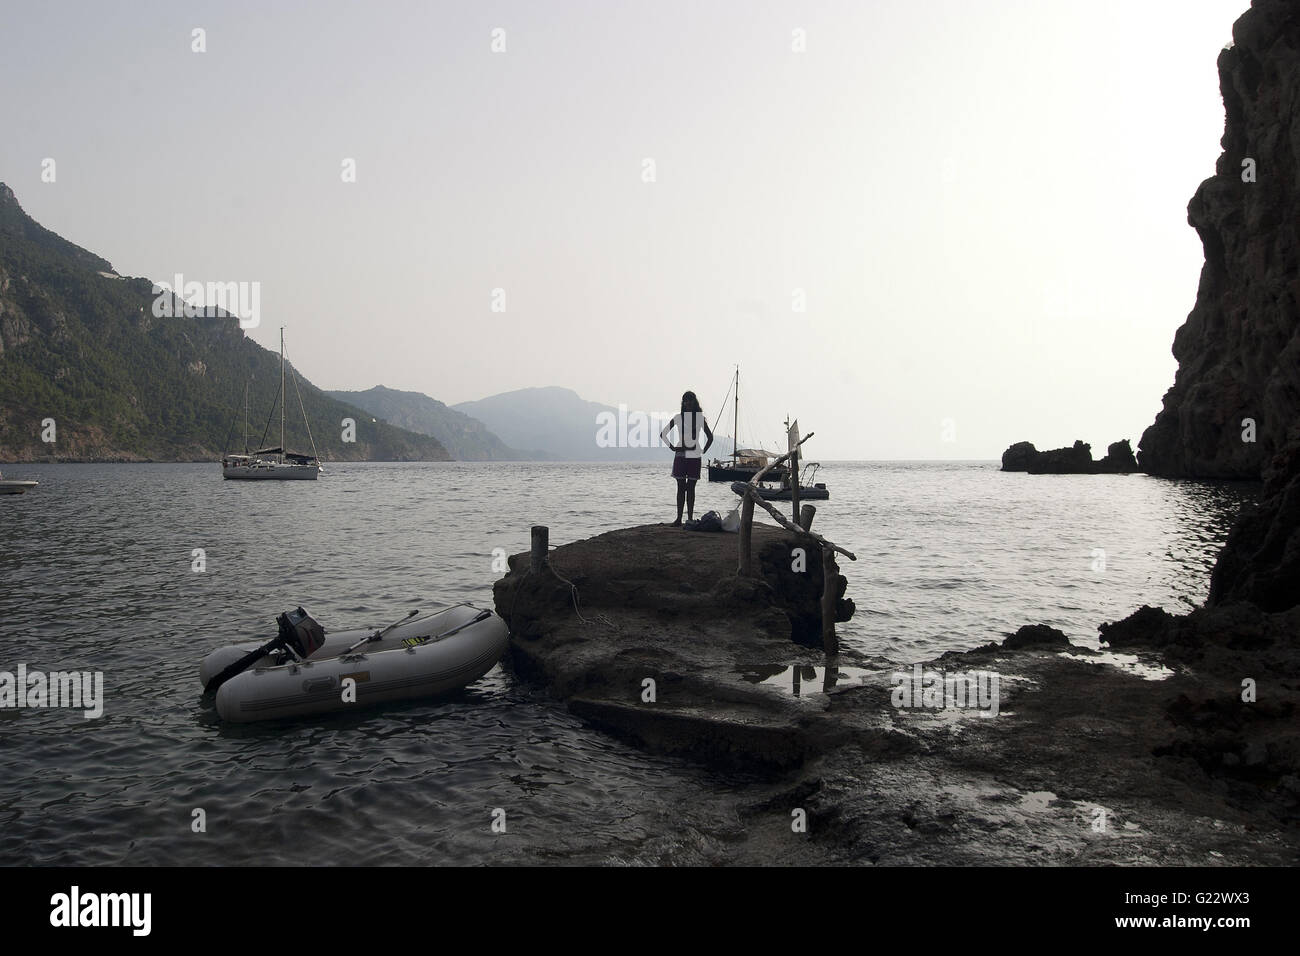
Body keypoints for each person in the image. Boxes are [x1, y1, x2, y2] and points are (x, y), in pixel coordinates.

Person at [660, 390, 713, 526]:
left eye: (690, 400)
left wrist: (703, 450)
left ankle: (689, 518)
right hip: (681, 455)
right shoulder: (678, 418)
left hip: (694, 455)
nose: (688, 402)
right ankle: (678, 519)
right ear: (683, 403)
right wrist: (673, 447)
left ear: (694, 402)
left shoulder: (699, 419)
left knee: (691, 488)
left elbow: (710, 437)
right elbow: (663, 433)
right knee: (680, 487)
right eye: (686, 400)